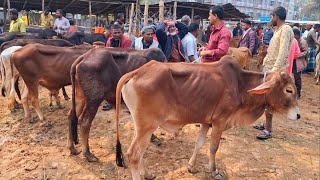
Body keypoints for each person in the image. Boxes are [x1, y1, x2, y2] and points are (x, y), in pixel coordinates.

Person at [254, 6, 294, 140]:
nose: (271, 19)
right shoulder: (277, 30)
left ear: (276, 16)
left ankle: (268, 130)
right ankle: (265, 124)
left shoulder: (286, 29)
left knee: (270, 100)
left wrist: (273, 72)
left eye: (272, 17)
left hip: (275, 70)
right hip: (269, 67)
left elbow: (283, 53)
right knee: (265, 99)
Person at [103, 23, 133, 111]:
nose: (116, 34)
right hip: (112, 62)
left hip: (125, 63)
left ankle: (126, 100)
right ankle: (111, 101)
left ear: (122, 32)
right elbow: (107, 51)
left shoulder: (127, 41)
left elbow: (127, 54)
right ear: (111, 33)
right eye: (114, 33)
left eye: (118, 32)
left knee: (126, 82)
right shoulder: (109, 40)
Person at [293, 28, 308, 98]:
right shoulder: (294, 40)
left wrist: (298, 55)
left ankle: (298, 93)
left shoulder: (302, 41)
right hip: (293, 61)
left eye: (293, 35)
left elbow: (306, 52)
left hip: (298, 62)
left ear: (297, 35)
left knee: (297, 78)